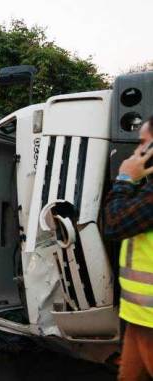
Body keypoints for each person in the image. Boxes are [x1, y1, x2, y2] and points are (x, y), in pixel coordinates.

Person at [104, 116, 153, 381]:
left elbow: (114, 223)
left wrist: (124, 179)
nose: (136, 152)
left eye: (144, 143)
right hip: (139, 317)